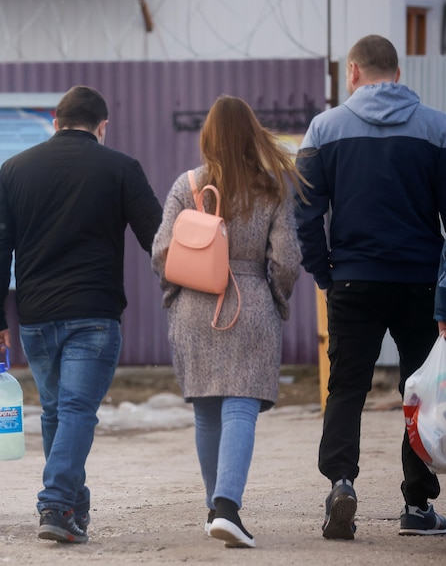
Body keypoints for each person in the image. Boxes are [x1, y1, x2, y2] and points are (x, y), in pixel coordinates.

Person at [0, 85, 163, 544]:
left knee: (60, 410)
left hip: (36, 317)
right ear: (102, 127)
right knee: (75, 410)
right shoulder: (121, 168)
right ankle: (56, 504)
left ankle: (73, 505)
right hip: (95, 314)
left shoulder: (15, 170)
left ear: (54, 122)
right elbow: (159, 239)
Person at [295, 34, 446, 539]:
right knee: (420, 391)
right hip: (420, 283)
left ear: (353, 72)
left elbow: (304, 215)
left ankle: (341, 482)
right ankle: (418, 506)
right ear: (398, 75)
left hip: (353, 280)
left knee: (346, 387)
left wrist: (326, 274)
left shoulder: (323, 128)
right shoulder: (436, 128)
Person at [151, 95, 307, 549]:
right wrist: (274, 298)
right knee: (241, 405)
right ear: (251, 135)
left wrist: (176, 294)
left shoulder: (187, 185)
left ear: (208, 138)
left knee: (206, 410)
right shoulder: (272, 187)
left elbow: (162, 252)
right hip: (250, 302)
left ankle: (215, 509)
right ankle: (227, 508)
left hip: (195, 309)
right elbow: (288, 260)